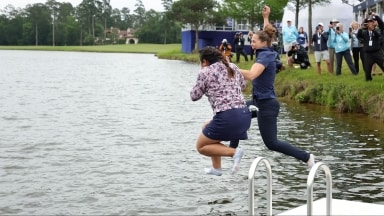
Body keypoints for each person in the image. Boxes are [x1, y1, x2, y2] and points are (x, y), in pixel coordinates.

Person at [239, 5, 315, 169]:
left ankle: (307, 157)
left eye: (253, 41)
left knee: (271, 143)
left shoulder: (266, 55)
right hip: (257, 101)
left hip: (266, 105)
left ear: (263, 43)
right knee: (235, 111)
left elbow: (252, 75)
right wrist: (266, 17)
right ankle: (232, 152)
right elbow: (266, 33)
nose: (251, 44)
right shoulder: (266, 49)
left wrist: (231, 68)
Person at [190, 46, 252, 176]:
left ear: (204, 61)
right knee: (206, 127)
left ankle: (234, 153)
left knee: (201, 146)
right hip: (245, 115)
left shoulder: (205, 72)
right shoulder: (232, 67)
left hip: (228, 118)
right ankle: (217, 168)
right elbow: (243, 86)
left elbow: (194, 96)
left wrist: (202, 80)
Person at [357, 17, 384, 81]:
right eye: (368, 23)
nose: (370, 24)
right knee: (367, 69)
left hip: (377, 52)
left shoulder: (377, 30)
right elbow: (359, 36)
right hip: (368, 54)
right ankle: (368, 80)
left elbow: (378, 35)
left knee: (383, 64)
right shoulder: (364, 32)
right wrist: (361, 28)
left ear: (373, 23)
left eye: (371, 22)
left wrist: (373, 30)